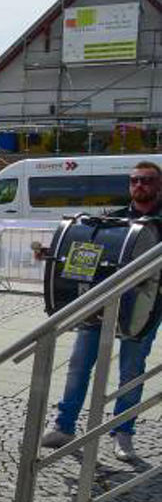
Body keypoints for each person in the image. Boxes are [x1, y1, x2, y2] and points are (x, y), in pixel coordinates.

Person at [41, 160, 162, 462]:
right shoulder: (117, 220)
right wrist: (55, 254)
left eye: (146, 180)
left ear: (159, 186)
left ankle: (123, 433)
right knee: (79, 366)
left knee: (131, 372)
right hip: (102, 305)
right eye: (134, 180)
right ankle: (64, 427)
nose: (139, 186)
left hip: (144, 309)